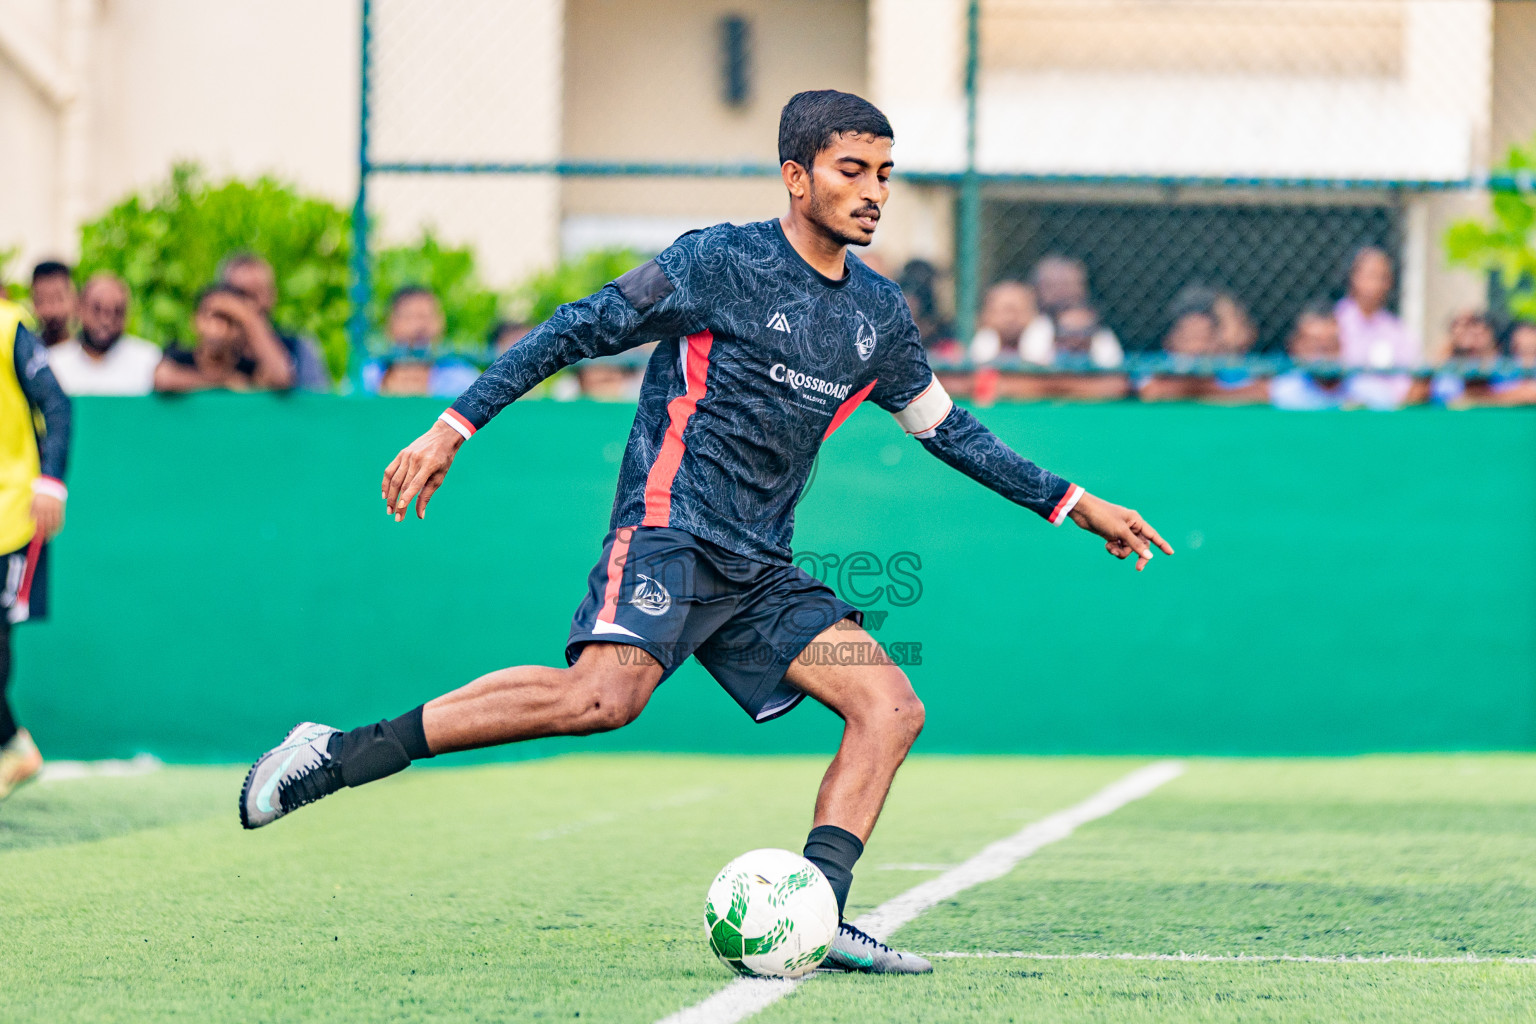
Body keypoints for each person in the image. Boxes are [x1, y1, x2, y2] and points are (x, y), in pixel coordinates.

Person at [236, 90, 1172, 975]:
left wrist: (1070, 501)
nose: (874, 192)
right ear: (796, 176)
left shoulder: (879, 314)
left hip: (760, 568)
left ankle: (817, 915)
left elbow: (947, 430)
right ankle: (337, 753)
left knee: (889, 707)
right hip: (671, 531)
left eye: (885, 174)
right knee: (601, 699)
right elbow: (574, 329)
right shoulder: (715, 262)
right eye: (852, 170)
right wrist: (453, 427)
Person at [0, 295, 71, 800]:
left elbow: (57, 404)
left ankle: (11, 745)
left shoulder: (8, 327)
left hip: (10, 514)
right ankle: (12, 743)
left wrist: (50, 481)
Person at [219, 253, 332, 391]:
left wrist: (249, 320)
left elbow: (284, 379)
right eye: (241, 293)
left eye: (257, 293)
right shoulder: (215, 349)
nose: (251, 303)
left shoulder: (298, 348)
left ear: (272, 295)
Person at [154, 284, 296, 392]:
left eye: (229, 320)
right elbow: (163, 379)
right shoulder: (178, 357)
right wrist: (224, 383)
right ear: (196, 320)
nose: (219, 328)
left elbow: (282, 377)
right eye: (212, 317)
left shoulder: (248, 368)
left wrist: (248, 317)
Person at [47, 274, 161, 396]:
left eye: (117, 311)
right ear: (80, 309)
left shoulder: (150, 363)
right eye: (97, 309)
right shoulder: (53, 364)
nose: (106, 321)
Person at [363, 287, 481, 399]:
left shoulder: (463, 379)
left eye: (427, 317)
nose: (419, 326)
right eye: (409, 317)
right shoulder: (368, 377)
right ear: (390, 324)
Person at [29, 261, 75, 348]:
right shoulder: (24, 351)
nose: (52, 310)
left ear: (73, 299)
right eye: (42, 300)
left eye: (59, 298)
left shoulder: (92, 352)